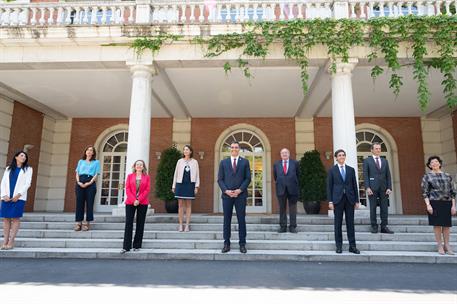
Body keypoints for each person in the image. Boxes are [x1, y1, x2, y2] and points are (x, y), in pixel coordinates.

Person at [217, 141, 251, 254]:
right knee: (227, 220)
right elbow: (220, 179)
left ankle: (242, 244)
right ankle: (226, 243)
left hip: (240, 196)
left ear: (239, 149)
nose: (234, 149)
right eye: (232, 147)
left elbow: (248, 178)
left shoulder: (245, 162)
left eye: (236, 147)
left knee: (241, 220)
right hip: (227, 196)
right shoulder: (223, 162)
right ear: (230, 149)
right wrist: (226, 191)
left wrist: (239, 190)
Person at [327, 149, 360, 254]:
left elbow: (355, 185)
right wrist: (330, 201)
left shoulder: (351, 170)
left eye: (343, 155)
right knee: (338, 224)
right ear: (336, 158)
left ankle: (352, 246)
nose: (341, 157)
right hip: (337, 200)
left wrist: (357, 200)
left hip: (350, 199)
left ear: (345, 157)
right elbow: (329, 187)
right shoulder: (332, 170)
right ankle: (339, 246)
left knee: (350, 223)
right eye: (339, 155)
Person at [421, 156, 456, 255]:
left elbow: (453, 192)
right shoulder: (427, 176)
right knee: (437, 225)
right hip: (434, 203)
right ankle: (440, 245)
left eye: (436, 161)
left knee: (446, 226)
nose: (435, 163)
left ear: (440, 163)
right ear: (430, 165)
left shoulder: (447, 176)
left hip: (447, 203)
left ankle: (447, 245)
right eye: (432, 162)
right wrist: (428, 205)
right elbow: (425, 192)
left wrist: (453, 206)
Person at [0, 150, 33, 250]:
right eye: (21, 155)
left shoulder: (28, 169)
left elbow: (28, 183)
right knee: (6, 219)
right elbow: (3, 183)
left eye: (25, 156)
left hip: (19, 198)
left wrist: (18, 195)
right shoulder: (8, 169)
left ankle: (11, 241)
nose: (24, 157)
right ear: (16, 157)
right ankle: (5, 241)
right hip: (6, 197)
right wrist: (4, 195)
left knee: (15, 218)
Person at [363, 142, 394, 234]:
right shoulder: (367, 161)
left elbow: (388, 175)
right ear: (372, 150)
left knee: (384, 208)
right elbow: (365, 175)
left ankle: (384, 226)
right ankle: (374, 226)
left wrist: (389, 187)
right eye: (376, 148)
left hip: (384, 188)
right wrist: (367, 187)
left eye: (379, 148)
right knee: (373, 207)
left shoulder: (384, 161)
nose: (378, 150)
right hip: (372, 187)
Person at [121, 160, 151, 254]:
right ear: (134, 166)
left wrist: (139, 200)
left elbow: (147, 190)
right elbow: (127, 189)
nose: (139, 166)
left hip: (143, 202)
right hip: (130, 202)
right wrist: (134, 200)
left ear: (143, 167)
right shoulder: (130, 176)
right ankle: (126, 246)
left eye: (141, 165)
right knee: (128, 223)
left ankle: (137, 245)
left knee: (140, 223)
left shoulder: (147, 177)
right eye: (137, 164)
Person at [172, 145, 200, 232]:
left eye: (187, 150)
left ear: (190, 151)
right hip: (180, 184)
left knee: (188, 205)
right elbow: (175, 174)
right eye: (184, 150)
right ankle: (180, 225)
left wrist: (196, 186)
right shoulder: (179, 161)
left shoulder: (195, 162)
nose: (185, 151)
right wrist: (174, 186)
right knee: (180, 205)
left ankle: (187, 225)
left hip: (190, 185)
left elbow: (197, 175)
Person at [273, 148, 300, 233]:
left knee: (292, 208)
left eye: (286, 153)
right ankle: (283, 226)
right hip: (281, 189)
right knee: (282, 208)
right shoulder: (276, 164)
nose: (284, 154)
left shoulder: (295, 163)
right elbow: (275, 176)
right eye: (283, 153)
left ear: (289, 154)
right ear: (280, 155)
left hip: (292, 189)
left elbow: (298, 175)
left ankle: (292, 226)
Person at [74, 145, 100, 231]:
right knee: (79, 203)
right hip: (80, 181)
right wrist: (78, 182)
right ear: (85, 152)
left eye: (91, 150)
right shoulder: (80, 161)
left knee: (89, 203)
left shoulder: (96, 162)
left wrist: (90, 182)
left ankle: (87, 222)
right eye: (88, 150)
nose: (89, 151)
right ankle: (78, 222)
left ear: (93, 153)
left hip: (90, 182)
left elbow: (96, 174)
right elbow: (77, 172)